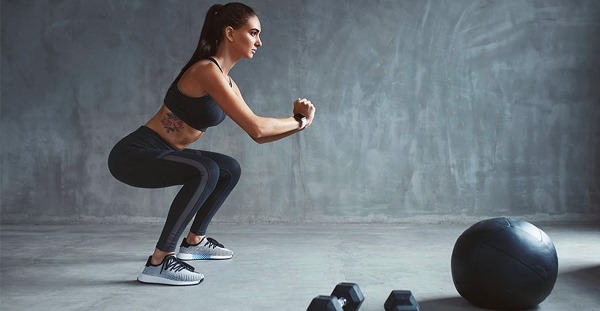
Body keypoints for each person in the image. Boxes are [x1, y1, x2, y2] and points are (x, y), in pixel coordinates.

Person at [107, 2, 316, 286]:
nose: (259, 41)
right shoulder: (207, 71)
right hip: (134, 154)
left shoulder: (228, 83)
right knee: (206, 170)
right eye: (253, 33)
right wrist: (300, 121)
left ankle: (194, 242)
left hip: (165, 151)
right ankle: (158, 261)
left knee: (229, 168)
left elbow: (258, 133)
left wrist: (299, 124)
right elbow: (257, 126)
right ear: (230, 33)